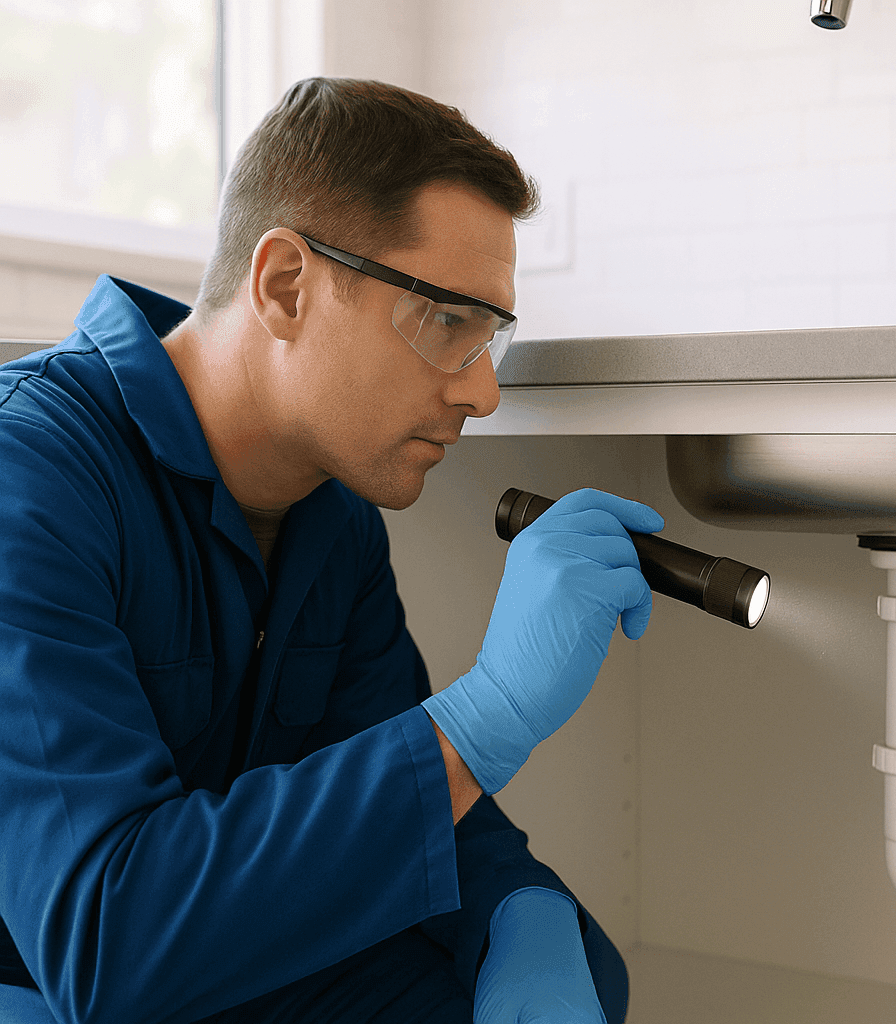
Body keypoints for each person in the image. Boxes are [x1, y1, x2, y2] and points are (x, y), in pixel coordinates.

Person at [0, 77, 661, 1024]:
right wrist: (487, 716)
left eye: (492, 339)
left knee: (567, 973)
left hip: (216, 955)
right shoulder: (31, 474)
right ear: (285, 286)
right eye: (448, 322)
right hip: (61, 978)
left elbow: (430, 826)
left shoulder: (330, 516)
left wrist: (528, 919)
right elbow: (109, 942)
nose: (484, 394)